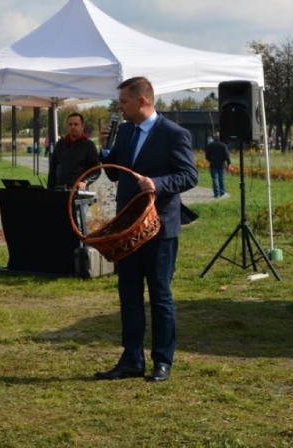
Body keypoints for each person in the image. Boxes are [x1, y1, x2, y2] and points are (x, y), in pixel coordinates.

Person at [95, 76, 198, 382]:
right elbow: (115, 177)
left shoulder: (174, 134)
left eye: (123, 102)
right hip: (128, 228)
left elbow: (188, 176)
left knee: (160, 296)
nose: (119, 108)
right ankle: (131, 359)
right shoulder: (125, 132)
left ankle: (162, 361)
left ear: (142, 101)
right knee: (128, 294)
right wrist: (105, 151)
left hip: (160, 228)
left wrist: (159, 184)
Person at [47, 112, 100, 190]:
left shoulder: (89, 146)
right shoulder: (60, 144)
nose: (72, 127)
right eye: (70, 124)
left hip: (78, 193)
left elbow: (96, 170)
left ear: (82, 126)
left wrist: (85, 181)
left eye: (76, 124)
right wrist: (49, 189)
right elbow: (53, 169)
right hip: (59, 191)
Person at [204, 131, 230, 198]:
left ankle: (216, 194)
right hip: (222, 165)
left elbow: (207, 156)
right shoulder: (224, 145)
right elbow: (226, 155)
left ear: (214, 137)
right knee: (221, 179)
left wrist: (210, 160)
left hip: (213, 165)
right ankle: (222, 193)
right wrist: (229, 163)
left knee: (215, 179)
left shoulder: (210, 145)